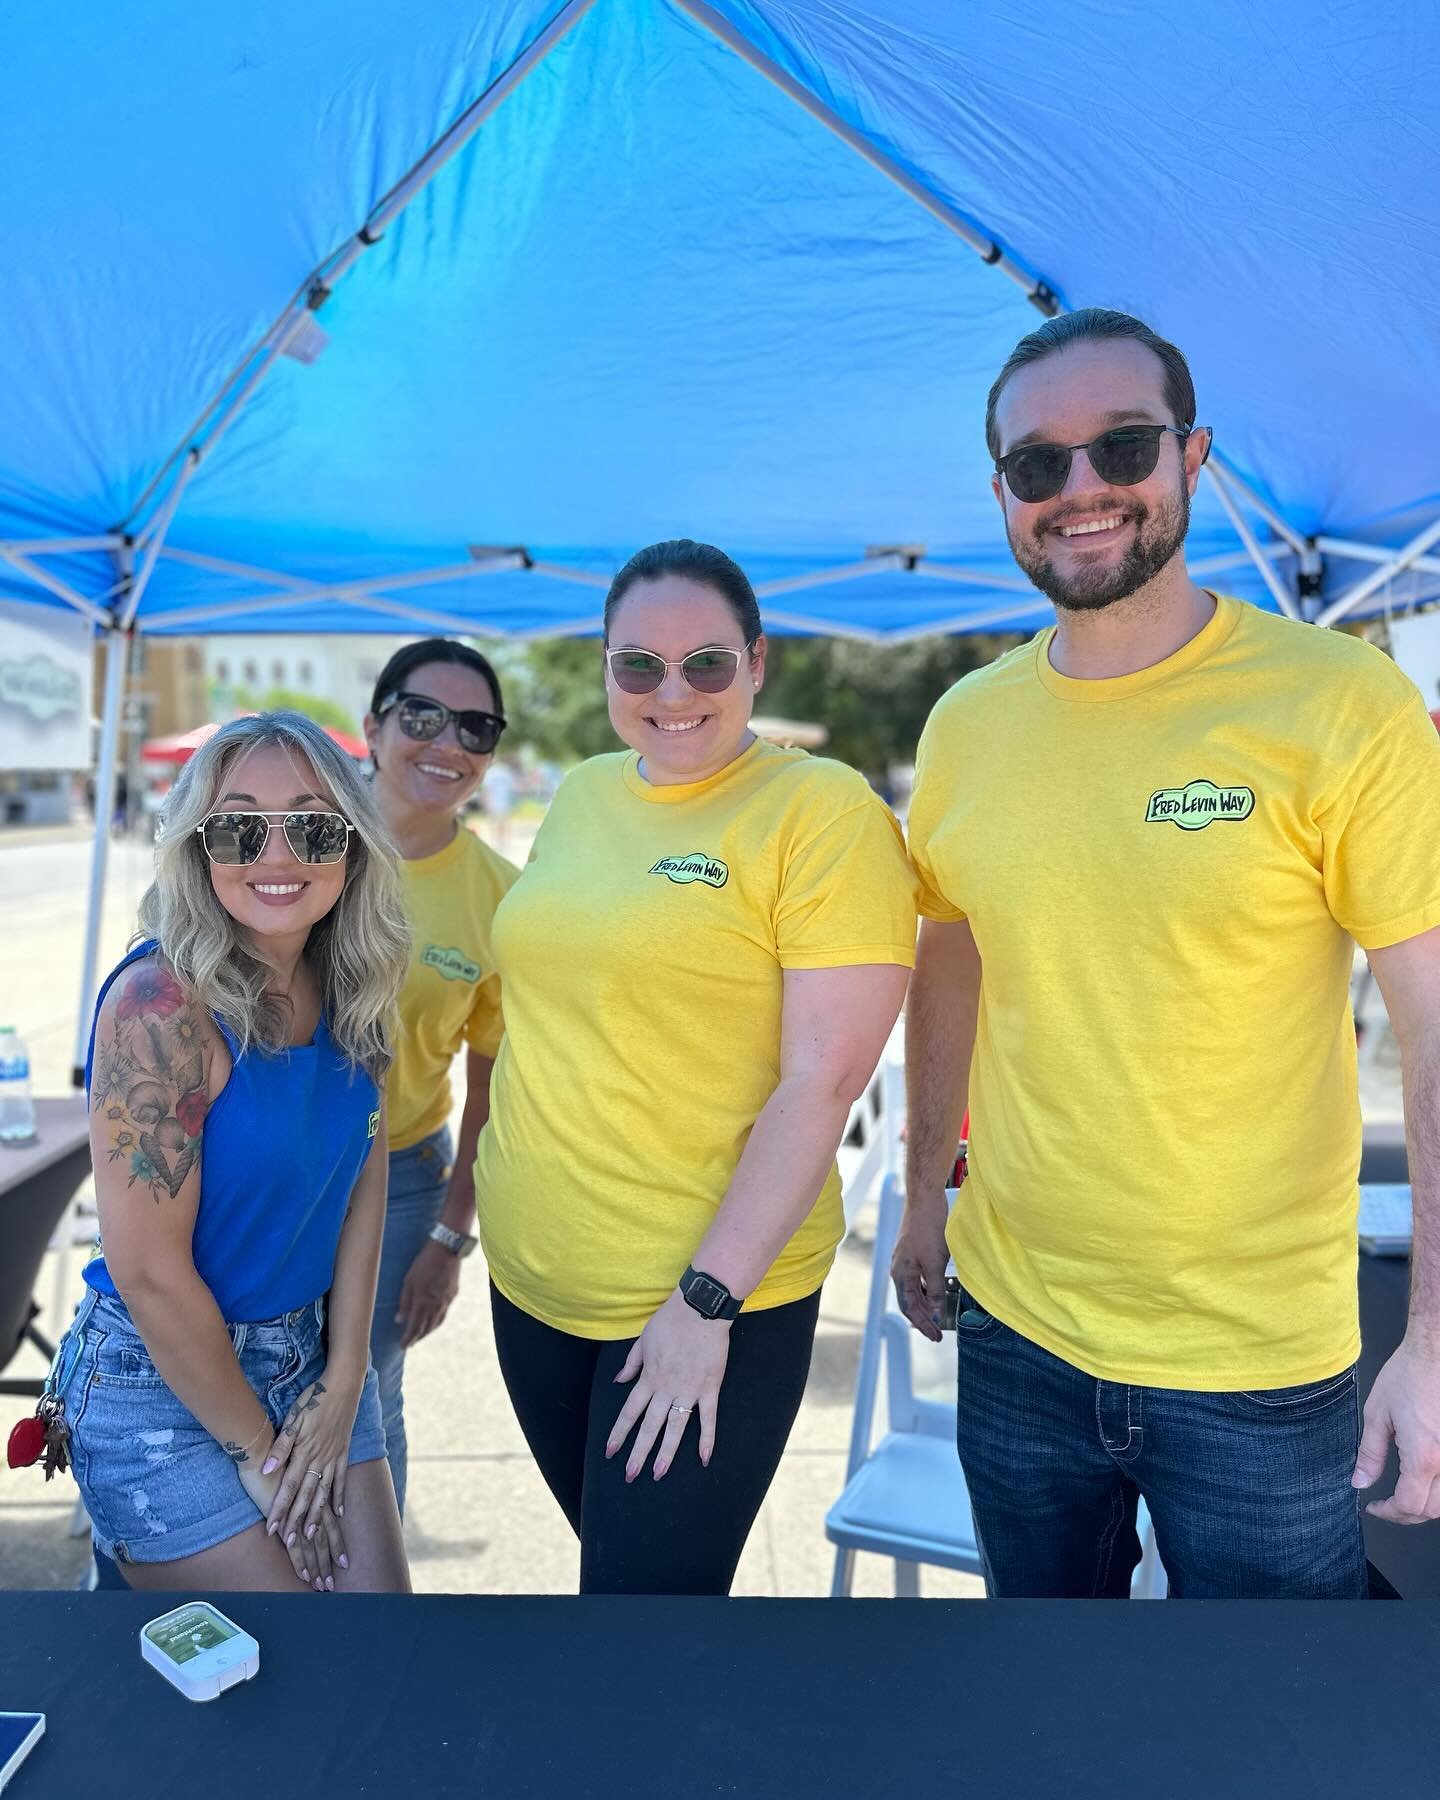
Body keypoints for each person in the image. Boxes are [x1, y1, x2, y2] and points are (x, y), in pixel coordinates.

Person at [895, 307, 1440, 1598]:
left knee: (1272, 1740)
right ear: (1004, 495)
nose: (1081, 490)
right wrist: (925, 1193)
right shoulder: (968, 724)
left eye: (1121, 448)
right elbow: (953, 959)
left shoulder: (1338, 702)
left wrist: (1433, 1332)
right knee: (1051, 1713)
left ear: (1192, 458)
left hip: (1256, 1364)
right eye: (1041, 466)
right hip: (1017, 1331)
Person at [476, 539, 918, 1593]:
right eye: (639, 665)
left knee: (645, 1623)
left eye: (706, 664)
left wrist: (704, 1306)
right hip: (533, 1280)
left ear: (758, 664)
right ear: (606, 671)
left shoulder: (821, 811)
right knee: (624, 1593)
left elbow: (822, 1082)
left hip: (700, 1299)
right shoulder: (583, 794)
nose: (672, 692)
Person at [46, 712, 412, 1593]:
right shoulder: (158, 1005)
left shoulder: (354, 980)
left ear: (352, 848)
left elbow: (365, 1176)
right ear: (197, 849)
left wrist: (347, 1372)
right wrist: (256, 1448)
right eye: (239, 826)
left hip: (312, 1359)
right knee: (291, 1667)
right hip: (160, 1377)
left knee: (386, 1643)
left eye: (314, 826)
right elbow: (149, 1272)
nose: (276, 857)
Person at [362, 640, 518, 1518]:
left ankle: (373, 1626)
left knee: (367, 1399)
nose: (446, 743)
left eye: (476, 726)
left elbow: (492, 1089)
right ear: (374, 726)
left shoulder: (501, 897)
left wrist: (451, 1240)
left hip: (400, 1180)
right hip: (256, 1173)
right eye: (421, 715)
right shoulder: (296, 842)